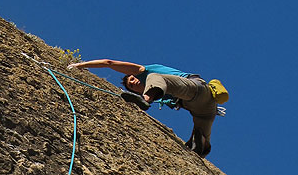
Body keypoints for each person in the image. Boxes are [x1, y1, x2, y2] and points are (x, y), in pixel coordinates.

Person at [67, 59, 217, 158]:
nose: (135, 81)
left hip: (197, 88)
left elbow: (109, 62)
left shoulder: (146, 72)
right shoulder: (162, 94)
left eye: (132, 78)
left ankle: (144, 100)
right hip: (203, 109)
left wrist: (80, 65)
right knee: (197, 144)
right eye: (132, 85)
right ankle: (201, 149)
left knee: (157, 77)